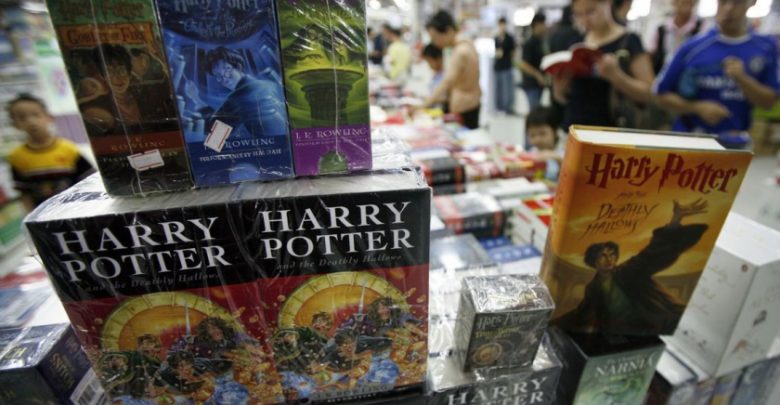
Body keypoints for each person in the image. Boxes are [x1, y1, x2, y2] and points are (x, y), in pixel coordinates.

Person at [557, 199, 709, 334]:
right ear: (593, 261)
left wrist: (674, 222)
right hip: (616, 332)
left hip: (649, 325)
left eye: (612, 254)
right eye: (603, 255)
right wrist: (553, 322)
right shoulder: (593, 288)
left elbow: (651, 253)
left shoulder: (628, 270)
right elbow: (581, 313)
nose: (609, 259)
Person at [654, 0, 779, 148]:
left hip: (735, 144)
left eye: (737, 3)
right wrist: (697, 107)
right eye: (723, 2)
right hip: (690, 140)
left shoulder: (765, 48)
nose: (729, 8)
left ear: (751, 3)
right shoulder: (692, 47)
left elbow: (769, 102)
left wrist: (743, 79)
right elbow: (660, 94)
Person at [551, 0, 654, 128]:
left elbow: (650, 94)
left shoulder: (629, 41)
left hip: (611, 129)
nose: (585, 20)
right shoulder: (577, 41)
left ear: (608, 3)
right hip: (575, 126)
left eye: (591, 12)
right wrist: (560, 90)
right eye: (578, 14)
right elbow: (566, 98)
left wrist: (617, 77)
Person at [6, 94, 94, 210]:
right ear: (15, 125)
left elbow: (89, 180)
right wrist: (31, 214)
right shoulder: (17, 157)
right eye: (22, 118)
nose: (31, 121)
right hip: (43, 213)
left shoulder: (69, 149)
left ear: (49, 117)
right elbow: (24, 193)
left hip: (75, 208)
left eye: (36, 115)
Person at [423, 10, 482, 129]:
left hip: (465, 108)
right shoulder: (467, 44)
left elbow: (446, 82)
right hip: (471, 104)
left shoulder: (460, 51)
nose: (435, 43)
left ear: (448, 30)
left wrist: (425, 105)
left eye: (435, 37)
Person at [649, 0, 703, 75]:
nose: (685, 3)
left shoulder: (702, 28)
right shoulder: (661, 30)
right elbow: (651, 54)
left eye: (689, 2)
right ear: (674, 3)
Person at [525, 106, 564, 181]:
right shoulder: (532, 153)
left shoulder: (563, 154)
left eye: (542, 133)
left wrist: (558, 160)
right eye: (532, 135)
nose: (537, 139)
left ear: (555, 132)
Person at [519, 13, 548, 112]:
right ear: (536, 25)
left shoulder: (541, 41)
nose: (544, 27)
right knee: (534, 113)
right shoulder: (529, 43)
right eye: (543, 24)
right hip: (531, 84)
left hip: (538, 85)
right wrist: (538, 75)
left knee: (537, 111)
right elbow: (524, 64)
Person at [494, 17, 517, 114]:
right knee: (499, 88)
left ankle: (509, 107)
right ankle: (500, 107)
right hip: (498, 66)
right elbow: (496, 51)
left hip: (507, 65)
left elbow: (513, 52)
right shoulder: (496, 38)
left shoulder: (509, 38)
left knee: (508, 89)